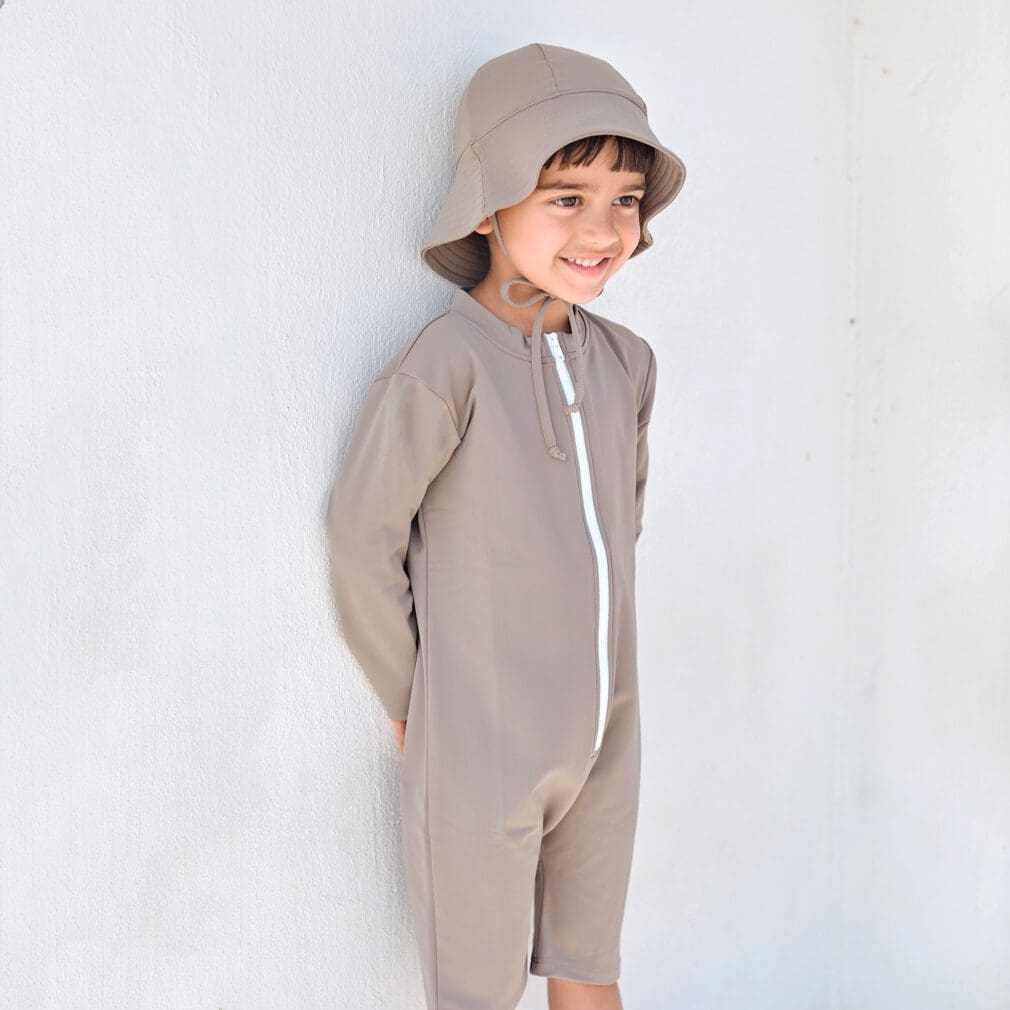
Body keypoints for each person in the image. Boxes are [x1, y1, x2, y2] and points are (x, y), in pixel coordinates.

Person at [326, 41, 686, 1010]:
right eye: (566, 197)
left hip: (606, 730)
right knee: (478, 991)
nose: (603, 228)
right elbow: (361, 533)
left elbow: (620, 520)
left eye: (624, 199)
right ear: (488, 205)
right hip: (478, 742)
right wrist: (413, 692)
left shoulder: (626, 364)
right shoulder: (447, 364)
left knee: (590, 969)